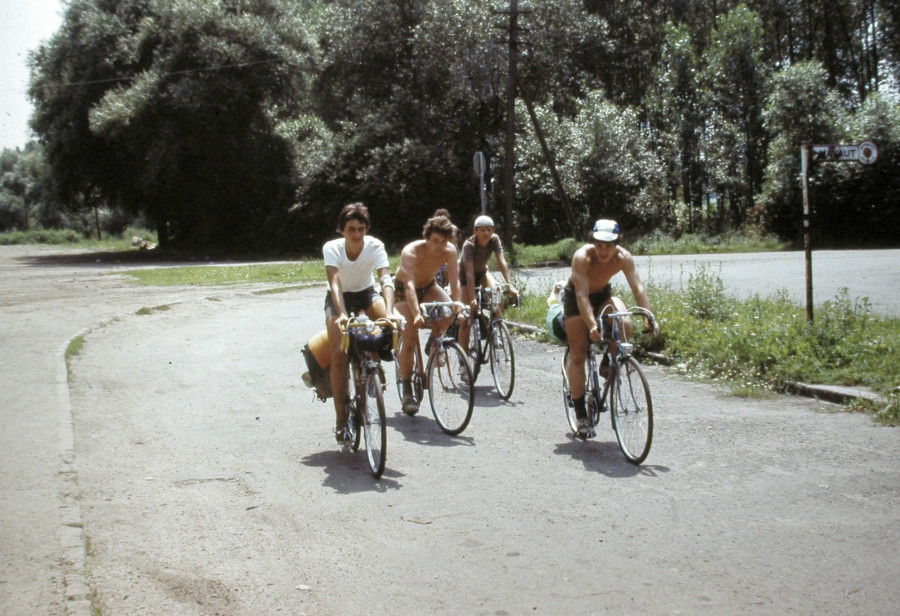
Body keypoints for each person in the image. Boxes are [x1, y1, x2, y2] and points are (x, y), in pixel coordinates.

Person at [564, 219, 659, 439]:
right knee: (578, 355)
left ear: (618, 242)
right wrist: (591, 324)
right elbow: (581, 295)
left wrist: (649, 316)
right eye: (599, 245)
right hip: (577, 297)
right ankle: (581, 415)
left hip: (603, 294)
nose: (603, 250)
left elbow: (638, 287)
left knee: (624, 322)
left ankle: (608, 363)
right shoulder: (582, 257)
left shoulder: (623, 257)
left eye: (609, 245)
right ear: (593, 242)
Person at [321, 202, 395, 443]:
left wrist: (392, 311)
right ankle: (341, 420)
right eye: (351, 229)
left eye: (361, 228)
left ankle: (375, 361)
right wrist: (341, 313)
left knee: (390, 323)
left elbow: (385, 279)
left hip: (366, 292)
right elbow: (335, 283)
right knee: (339, 354)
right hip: (339, 298)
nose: (356, 234)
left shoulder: (375, 246)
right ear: (341, 230)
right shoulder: (332, 248)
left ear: (367, 228)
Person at [393, 215, 461, 414]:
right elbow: (410, 287)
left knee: (451, 310)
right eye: (435, 241)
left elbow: (455, 281)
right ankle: (407, 390)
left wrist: (458, 305)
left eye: (443, 241)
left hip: (429, 286)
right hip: (404, 290)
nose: (439, 246)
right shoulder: (411, 251)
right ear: (427, 238)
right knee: (411, 335)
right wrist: (416, 314)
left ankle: (435, 340)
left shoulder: (449, 251)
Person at [456, 215, 518, 358]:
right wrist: (472, 298)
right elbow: (470, 275)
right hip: (465, 278)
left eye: (489, 230)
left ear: (493, 230)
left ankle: (494, 328)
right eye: (482, 230)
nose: (486, 233)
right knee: (467, 317)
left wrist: (510, 285)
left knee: (497, 291)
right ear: (475, 231)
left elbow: (501, 261)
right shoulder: (469, 245)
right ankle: (462, 357)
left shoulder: (494, 239)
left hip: (482, 272)